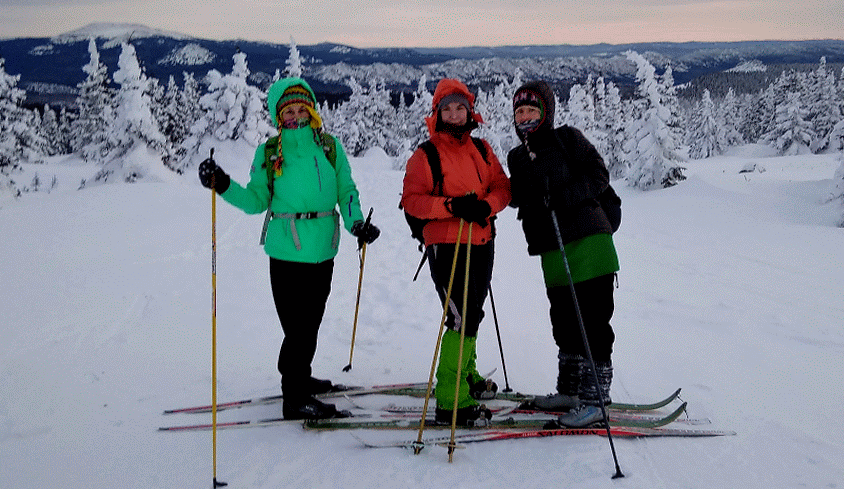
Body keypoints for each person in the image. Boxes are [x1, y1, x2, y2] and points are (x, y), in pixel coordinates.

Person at [197, 77, 380, 420]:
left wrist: (357, 222)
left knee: (310, 322)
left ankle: (301, 376)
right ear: (278, 116)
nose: (296, 115)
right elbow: (255, 201)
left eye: (301, 108)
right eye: (288, 111)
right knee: (297, 327)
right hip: (285, 250)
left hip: (324, 248)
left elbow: (347, 190)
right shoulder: (269, 152)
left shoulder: (329, 146)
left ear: (311, 109)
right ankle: (294, 395)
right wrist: (222, 185)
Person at [506, 80, 620, 428]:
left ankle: (595, 400)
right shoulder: (517, 156)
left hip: (589, 242)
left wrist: (563, 196)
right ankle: (570, 391)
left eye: (532, 109)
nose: (525, 116)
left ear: (547, 112)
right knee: (565, 323)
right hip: (552, 248)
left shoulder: (568, 138)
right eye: (520, 111)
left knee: (592, 323)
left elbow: (598, 174)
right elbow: (519, 196)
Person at [401, 78, 511, 425]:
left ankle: (466, 374)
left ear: (468, 111)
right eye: (446, 108)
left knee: (472, 313)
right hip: (447, 245)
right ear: (438, 112)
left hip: (480, 240)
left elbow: (502, 187)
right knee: (461, 317)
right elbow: (412, 201)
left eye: (459, 107)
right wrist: (451, 206)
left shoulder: (482, 149)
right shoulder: (426, 154)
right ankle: (451, 400)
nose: (453, 114)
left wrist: (486, 206)